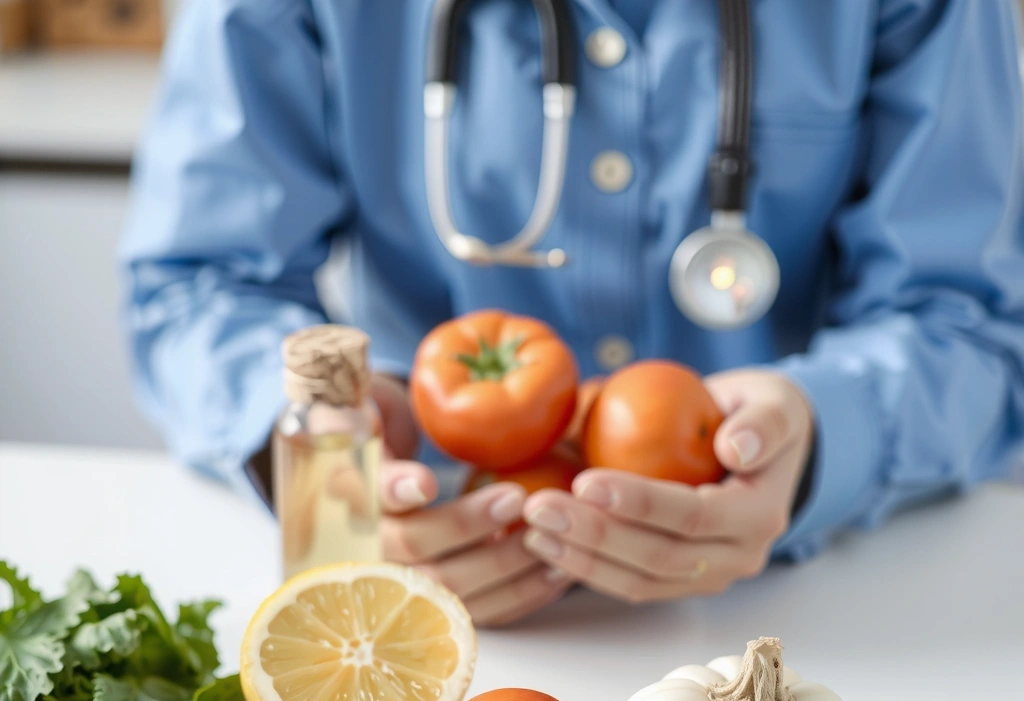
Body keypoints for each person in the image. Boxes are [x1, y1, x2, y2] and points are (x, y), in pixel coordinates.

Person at [120, 0, 1024, 627]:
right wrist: (326, 462)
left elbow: (972, 325)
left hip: (813, 616)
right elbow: (196, 285)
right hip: (426, 587)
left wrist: (821, 437)